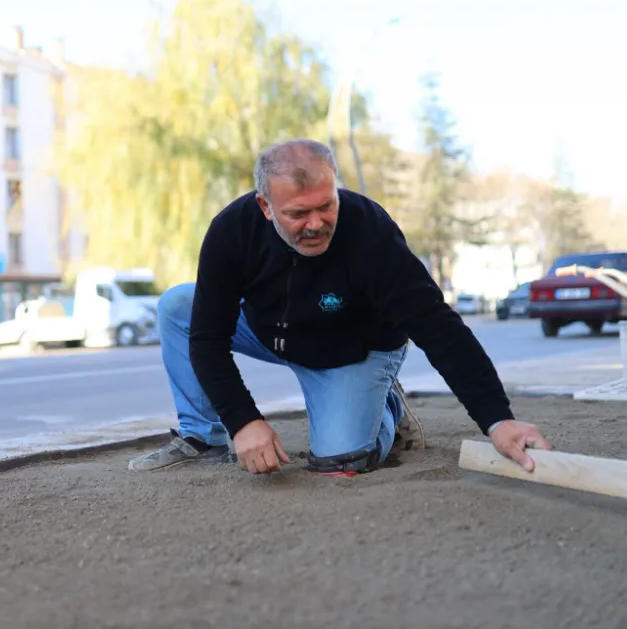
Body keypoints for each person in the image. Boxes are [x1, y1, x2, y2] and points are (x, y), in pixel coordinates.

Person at [128, 138, 553, 476]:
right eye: (298, 213)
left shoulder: (370, 231)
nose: (316, 224)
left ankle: (386, 407)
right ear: (265, 207)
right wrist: (243, 421)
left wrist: (498, 421)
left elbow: (438, 327)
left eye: (326, 205)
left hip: (354, 349)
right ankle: (204, 435)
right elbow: (206, 338)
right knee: (178, 305)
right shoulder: (231, 231)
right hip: (271, 331)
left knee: (341, 463)